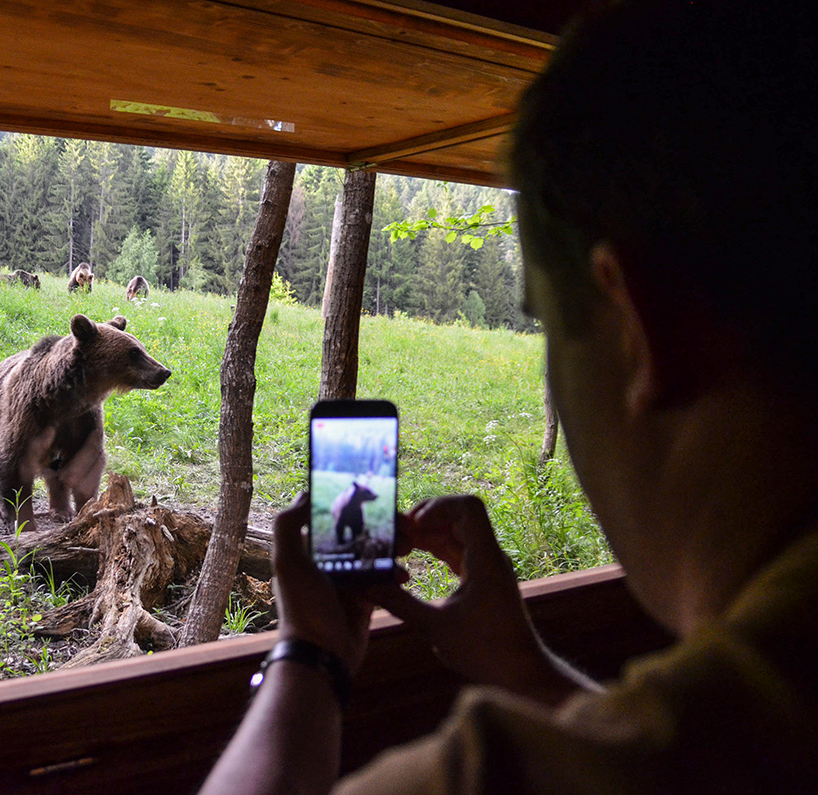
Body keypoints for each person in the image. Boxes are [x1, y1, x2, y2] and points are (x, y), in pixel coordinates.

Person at [200, 1, 818, 792]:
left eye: (549, 327)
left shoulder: (490, 773)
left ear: (643, 324)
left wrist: (308, 654)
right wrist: (522, 667)